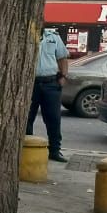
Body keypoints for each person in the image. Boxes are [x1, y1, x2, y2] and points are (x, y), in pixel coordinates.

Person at [26, 27, 69, 162]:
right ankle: (26, 149)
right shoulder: (25, 34)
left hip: (51, 83)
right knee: (27, 118)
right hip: (30, 84)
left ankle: (55, 150)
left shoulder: (52, 37)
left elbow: (62, 57)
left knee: (53, 119)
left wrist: (63, 76)